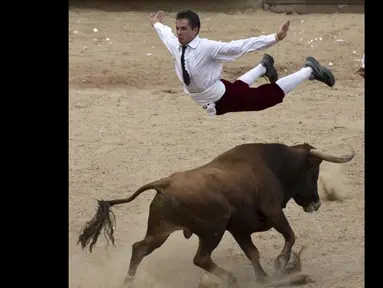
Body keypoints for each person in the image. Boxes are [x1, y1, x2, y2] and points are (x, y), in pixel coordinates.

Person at [150, 10, 335, 116]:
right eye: (177, 28)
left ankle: (309, 70)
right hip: (216, 92)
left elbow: (240, 46)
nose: (179, 32)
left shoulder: (208, 47)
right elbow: (165, 34)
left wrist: (275, 37)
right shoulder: (176, 44)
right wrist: (156, 24)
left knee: (267, 98)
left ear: (195, 30)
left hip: (221, 97)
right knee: (238, 88)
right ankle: (264, 67)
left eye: (184, 29)